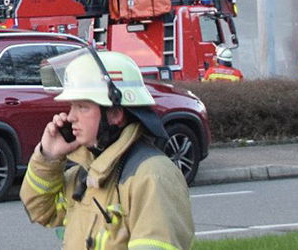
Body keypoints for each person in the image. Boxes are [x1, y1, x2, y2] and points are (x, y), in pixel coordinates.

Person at [21, 49, 194, 250]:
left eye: (82, 107)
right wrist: (49, 157)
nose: (71, 117)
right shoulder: (87, 173)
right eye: (72, 106)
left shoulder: (152, 176)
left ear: (115, 114)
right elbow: (41, 211)